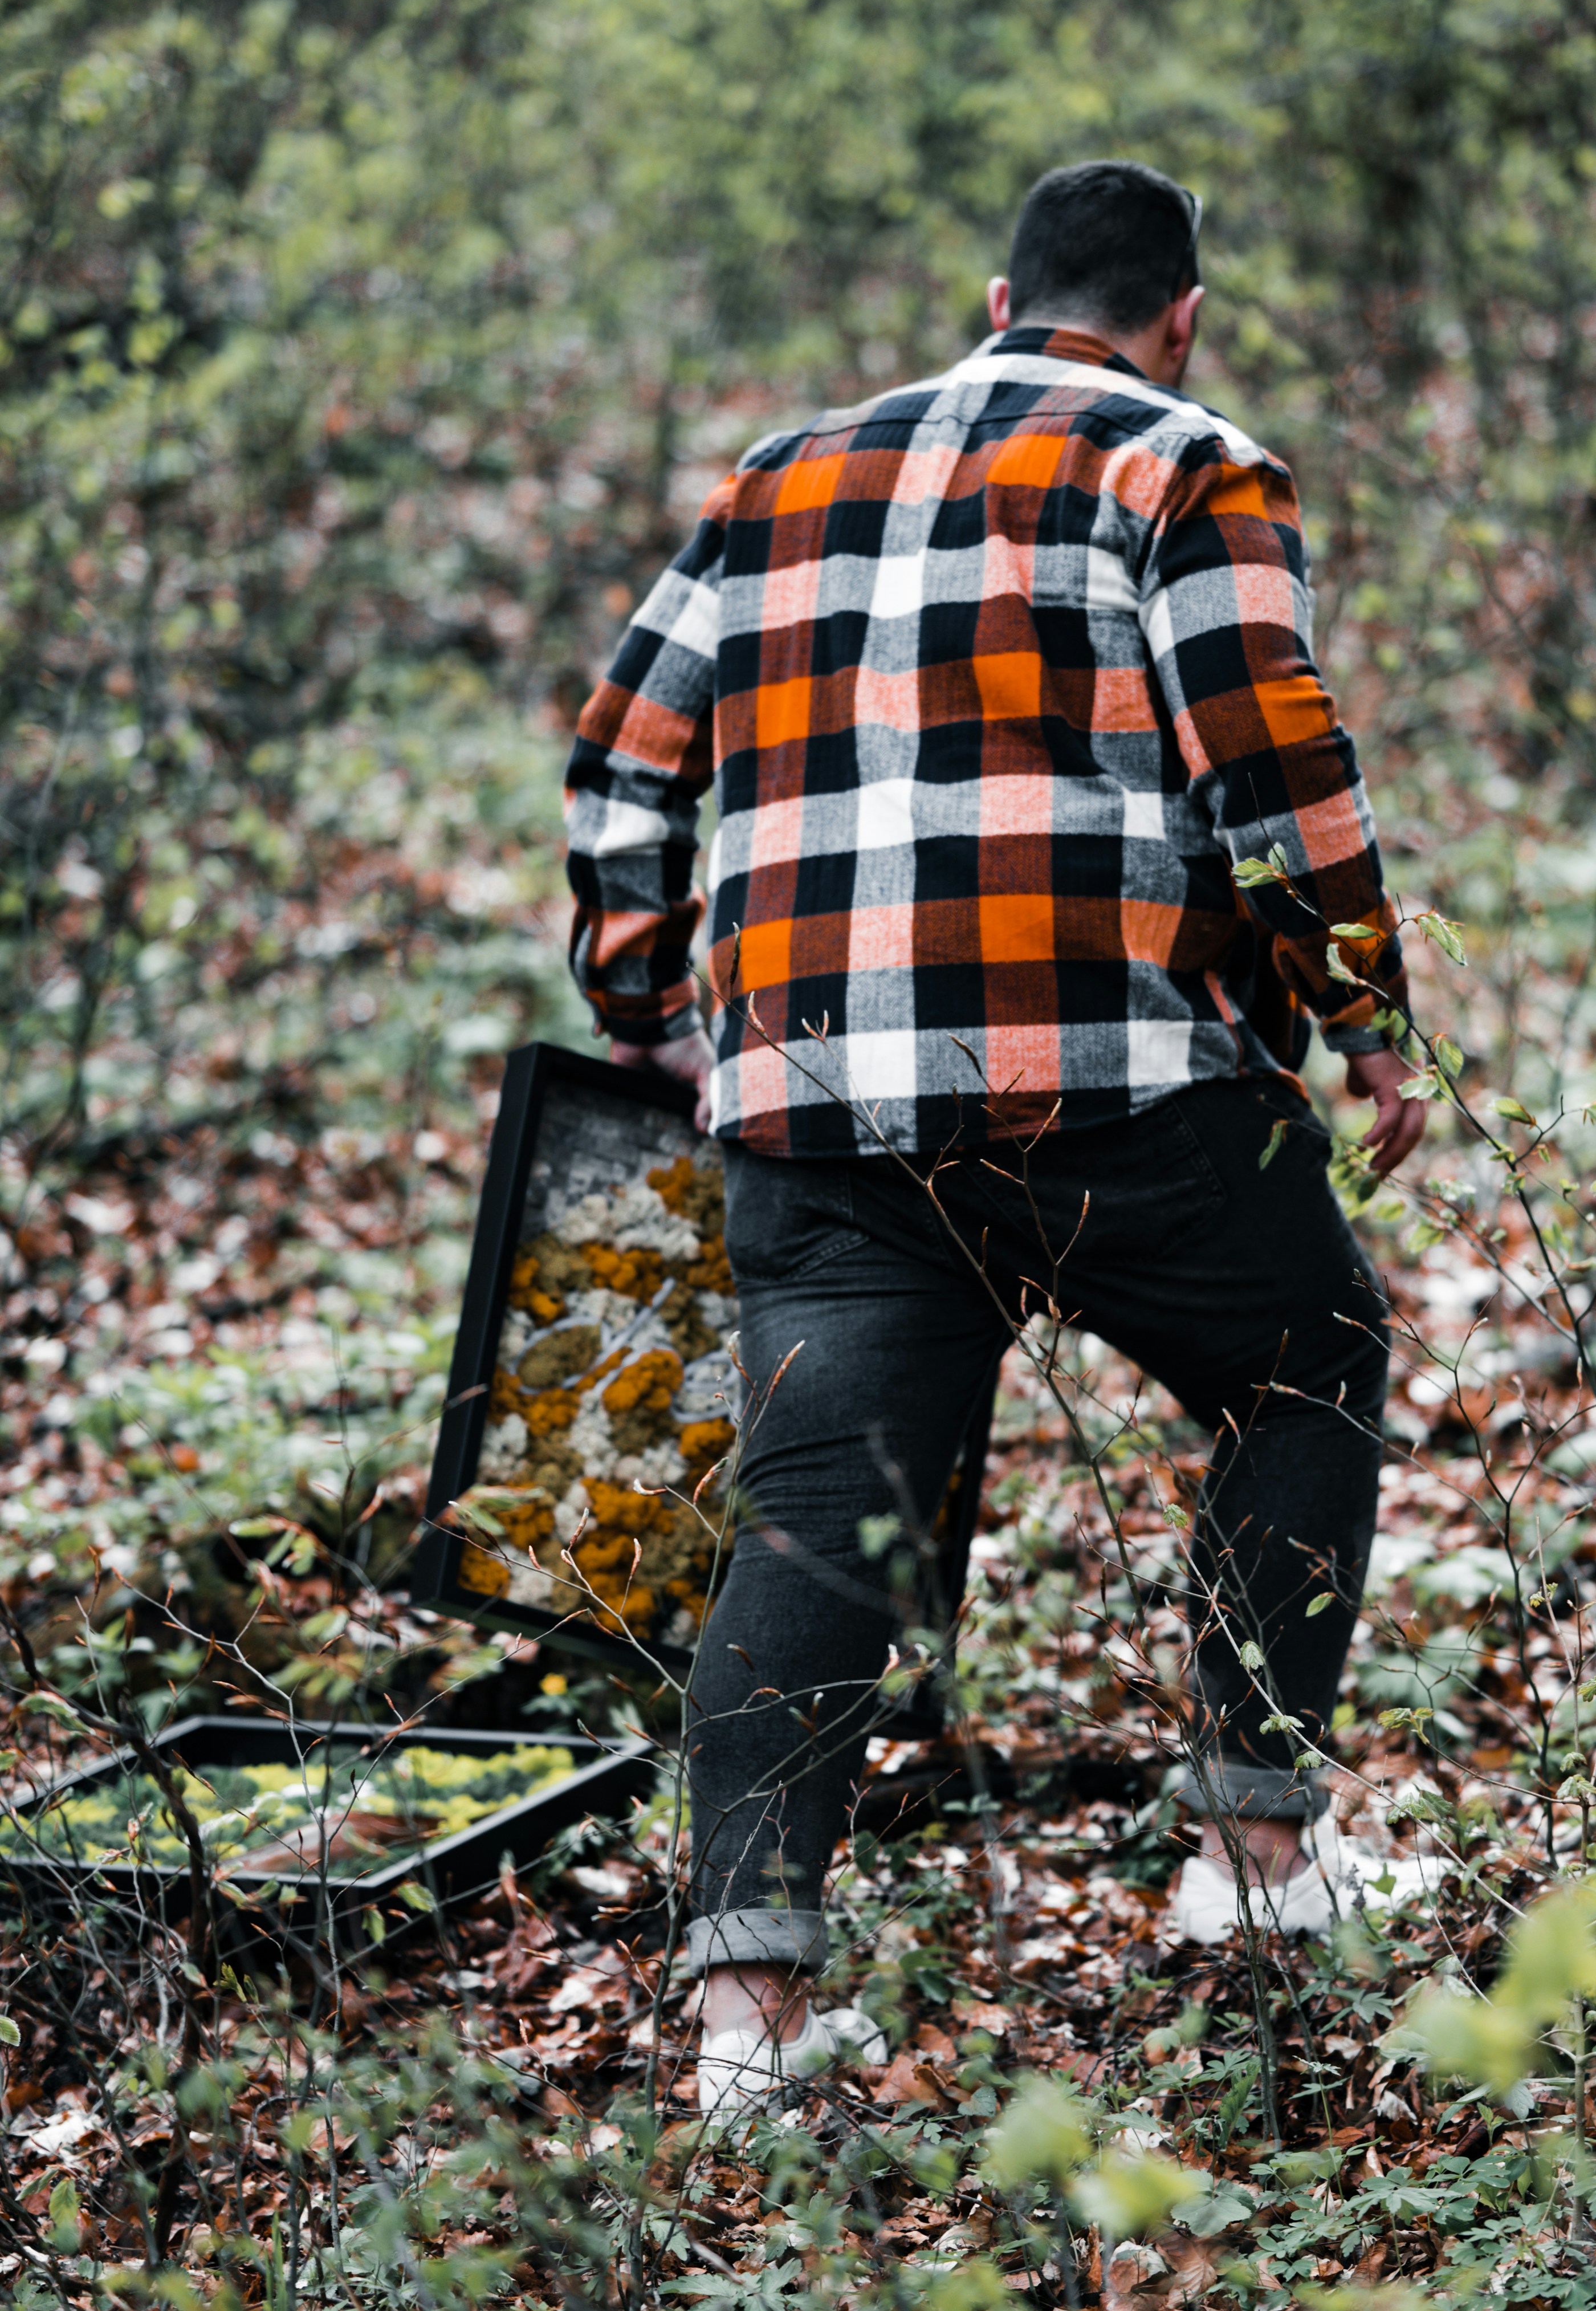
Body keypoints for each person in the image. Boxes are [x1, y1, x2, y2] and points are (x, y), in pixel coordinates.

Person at [564, 160, 1429, 2119]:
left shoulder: (778, 475)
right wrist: (1368, 1018)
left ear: (992, 296)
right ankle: (1258, 1865)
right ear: (1181, 314)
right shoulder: (1189, 461)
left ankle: (751, 2035)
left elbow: (624, 754)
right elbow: (1273, 759)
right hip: (1119, 1089)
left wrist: (652, 1008)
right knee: (1307, 1364)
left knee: (810, 1524)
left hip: (818, 1116)